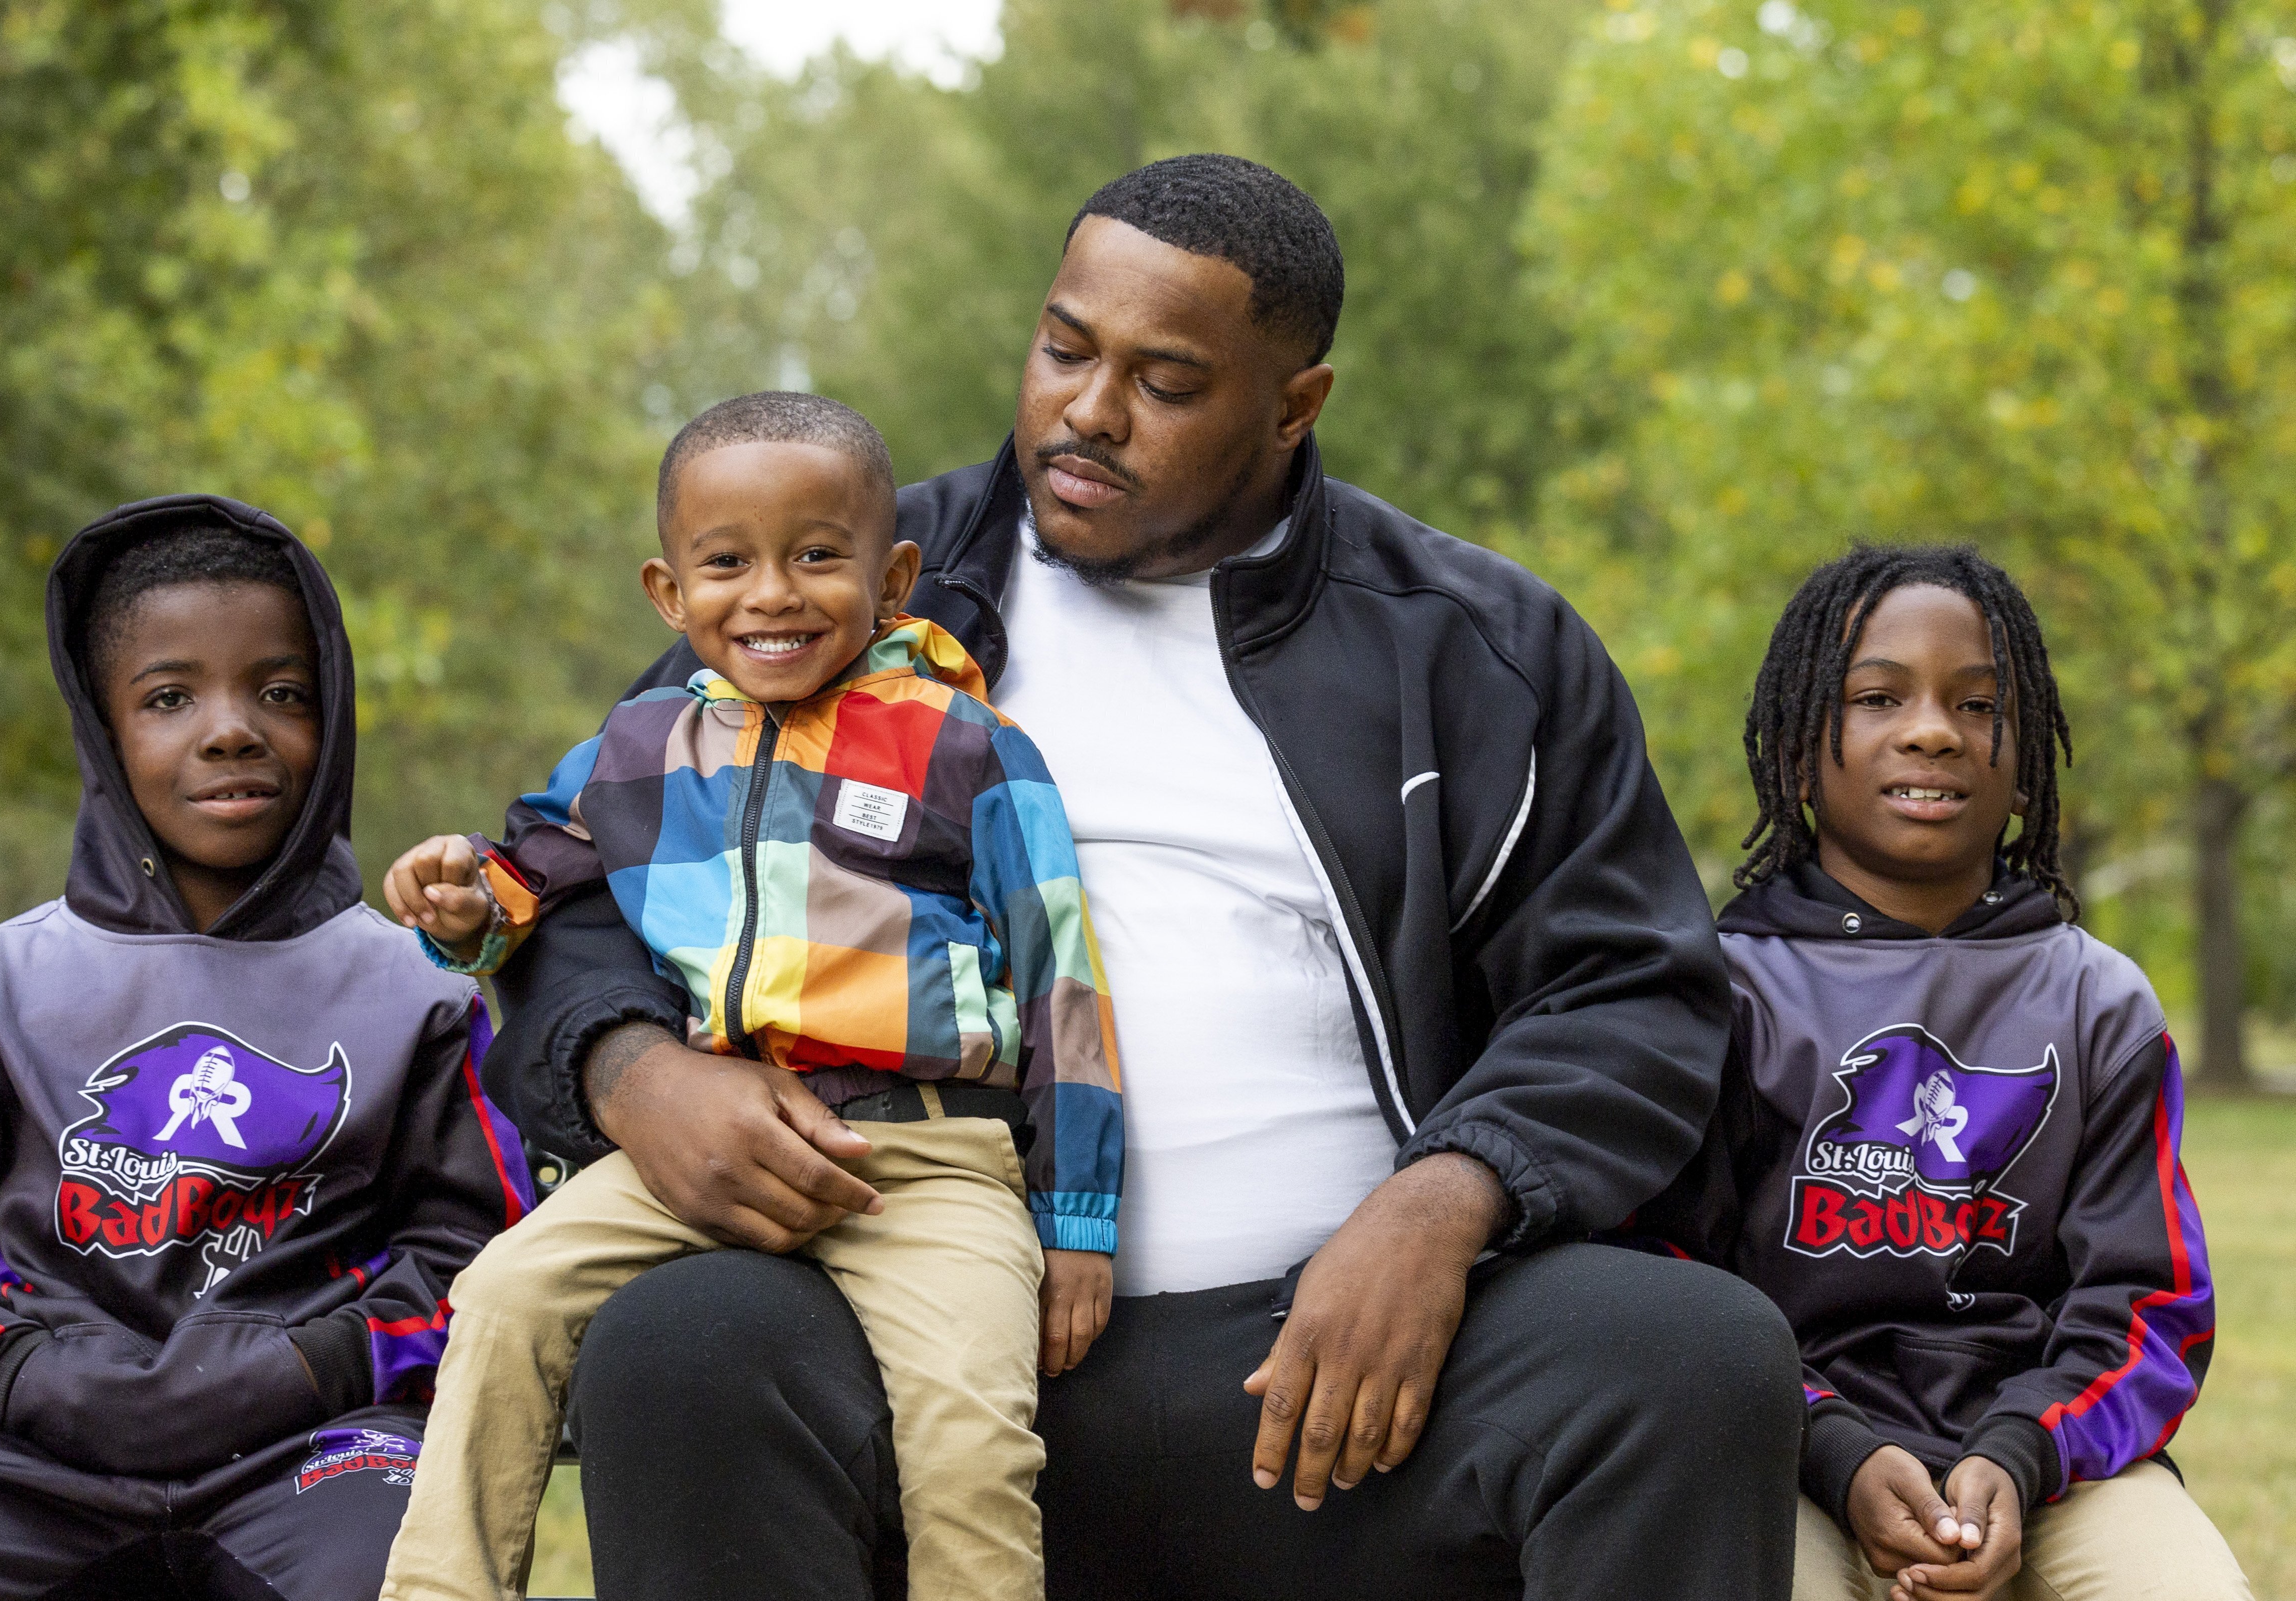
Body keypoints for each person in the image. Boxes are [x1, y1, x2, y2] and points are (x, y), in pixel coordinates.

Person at [479, 154, 1804, 1600]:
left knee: (1690, 1361)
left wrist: (1449, 1197)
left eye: (1166, 383)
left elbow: (1634, 989)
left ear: (1294, 407)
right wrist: (626, 1071)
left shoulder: (1468, 647)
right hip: (911, 1298)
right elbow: (573, 869)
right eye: (1064, 347)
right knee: (683, 1349)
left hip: (1348, 1383)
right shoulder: (826, 580)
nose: (1086, 413)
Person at [374, 392, 1122, 1601]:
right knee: (502, 1296)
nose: (772, 594)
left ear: (894, 577)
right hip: (719, 1147)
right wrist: (459, 905)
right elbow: (527, 882)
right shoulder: (635, 749)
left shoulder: (966, 747)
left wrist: (1080, 1221)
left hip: (926, 1165)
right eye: (728, 564)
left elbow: (1064, 989)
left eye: (818, 556)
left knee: (975, 1441)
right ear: (671, 596)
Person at [0, 495, 536, 1601]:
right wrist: (29, 1373)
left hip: (314, 1450)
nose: (231, 728)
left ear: (335, 719)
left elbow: (477, 1261)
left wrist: (310, 1364)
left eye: (282, 693)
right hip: (20, 1452)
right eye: (170, 697)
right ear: (105, 730)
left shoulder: (417, 993)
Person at [1644, 545, 2247, 1600]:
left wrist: (2020, 1449)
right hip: (1788, 1453)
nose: (1933, 729)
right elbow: (1663, 1275)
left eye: (1980, 704)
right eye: (1878, 697)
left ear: (2026, 763)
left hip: (2048, 1462)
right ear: (1796, 749)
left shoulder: (2098, 1002)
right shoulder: (1719, 997)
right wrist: (1831, 1446)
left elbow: (2149, 1306)